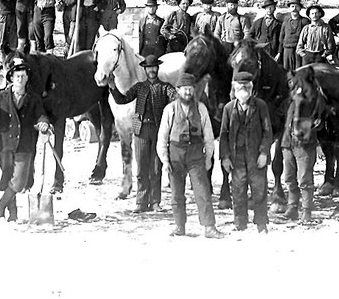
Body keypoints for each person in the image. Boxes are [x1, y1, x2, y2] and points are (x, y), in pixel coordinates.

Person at [0, 62, 53, 222]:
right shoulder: (2, 96)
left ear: (27, 78)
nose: (20, 79)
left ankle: (0, 205)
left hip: (24, 144)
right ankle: (12, 214)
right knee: (8, 176)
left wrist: (44, 123)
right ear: (11, 78)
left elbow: (41, 115)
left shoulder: (33, 99)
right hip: (5, 143)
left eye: (23, 76)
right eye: (17, 76)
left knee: (19, 181)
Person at [157, 73, 223, 238]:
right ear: (178, 90)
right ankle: (180, 226)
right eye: (184, 89)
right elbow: (162, 138)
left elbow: (208, 136)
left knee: (203, 191)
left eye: (190, 89)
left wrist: (208, 158)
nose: (187, 92)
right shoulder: (170, 109)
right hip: (175, 154)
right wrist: (165, 161)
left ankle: (209, 227)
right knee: (176, 193)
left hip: (195, 155)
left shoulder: (201, 108)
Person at [108, 53, 176, 213]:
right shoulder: (140, 87)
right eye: (148, 68)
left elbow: (175, 98)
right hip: (140, 130)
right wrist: (112, 86)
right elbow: (122, 99)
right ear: (145, 70)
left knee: (155, 167)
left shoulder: (165, 87)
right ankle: (140, 202)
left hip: (158, 130)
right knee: (141, 168)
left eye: (154, 67)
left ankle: (155, 202)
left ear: (157, 68)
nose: (151, 70)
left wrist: (182, 94)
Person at [219, 71, 274, 233]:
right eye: (240, 87)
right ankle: (240, 223)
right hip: (237, 157)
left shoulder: (260, 106)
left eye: (246, 87)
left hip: (256, 156)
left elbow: (267, 132)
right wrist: (225, 157)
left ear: (251, 89)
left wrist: (264, 153)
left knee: (259, 189)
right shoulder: (229, 108)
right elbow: (223, 134)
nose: (243, 90)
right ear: (235, 89)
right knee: (238, 190)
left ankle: (261, 223)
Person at [279, 0, 309, 73]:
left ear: (300, 8)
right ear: (289, 8)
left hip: (299, 50)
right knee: (286, 71)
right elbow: (281, 38)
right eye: (292, 6)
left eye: (296, 6)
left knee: (298, 71)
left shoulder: (305, 21)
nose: (294, 9)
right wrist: (280, 51)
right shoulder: (285, 21)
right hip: (287, 50)